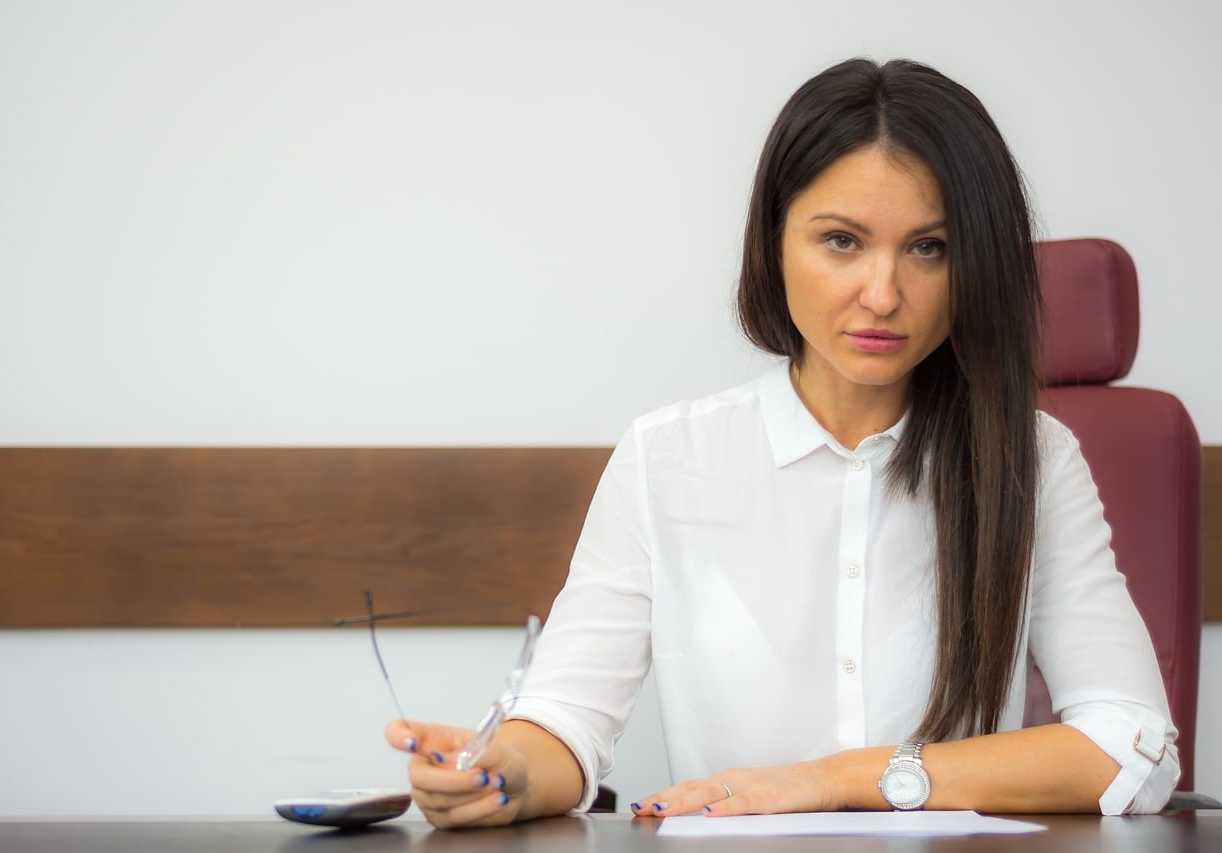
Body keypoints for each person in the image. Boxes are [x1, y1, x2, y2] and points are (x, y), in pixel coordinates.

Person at [384, 57, 1179, 828]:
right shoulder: (667, 459)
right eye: (841, 240)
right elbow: (565, 720)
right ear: (773, 242)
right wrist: (506, 773)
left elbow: (1133, 746)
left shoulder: (1033, 462)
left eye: (928, 247)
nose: (882, 293)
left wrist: (834, 781)